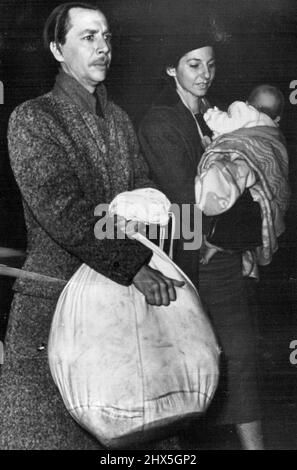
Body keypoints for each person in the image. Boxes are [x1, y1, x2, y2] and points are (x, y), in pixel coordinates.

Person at [0, 2, 184, 450]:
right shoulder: (33, 119)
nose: (103, 48)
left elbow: (143, 192)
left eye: (106, 37)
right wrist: (136, 265)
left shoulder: (119, 120)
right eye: (87, 37)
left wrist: (156, 212)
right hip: (54, 308)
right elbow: (63, 209)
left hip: (118, 311)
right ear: (57, 49)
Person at [138, 29, 265, 449]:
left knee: (242, 359)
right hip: (191, 265)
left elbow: (251, 196)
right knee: (191, 370)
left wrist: (233, 239)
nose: (205, 73)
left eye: (211, 64)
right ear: (171, 68)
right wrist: (206, 244)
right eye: (194, 65)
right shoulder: (160, 120)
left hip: (223, 256)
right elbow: (181, 199)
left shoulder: (221, 115)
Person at [197, 84, 290, 266]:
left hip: (243, 155)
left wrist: (209, 112)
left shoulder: (245, 111)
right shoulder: (275, 131)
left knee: (237, 169)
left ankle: (224, 179)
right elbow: (278, 158)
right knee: (250, 214)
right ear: (277, 118)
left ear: (248, 103)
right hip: (261, 167)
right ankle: (246, 255)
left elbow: (225, 124)